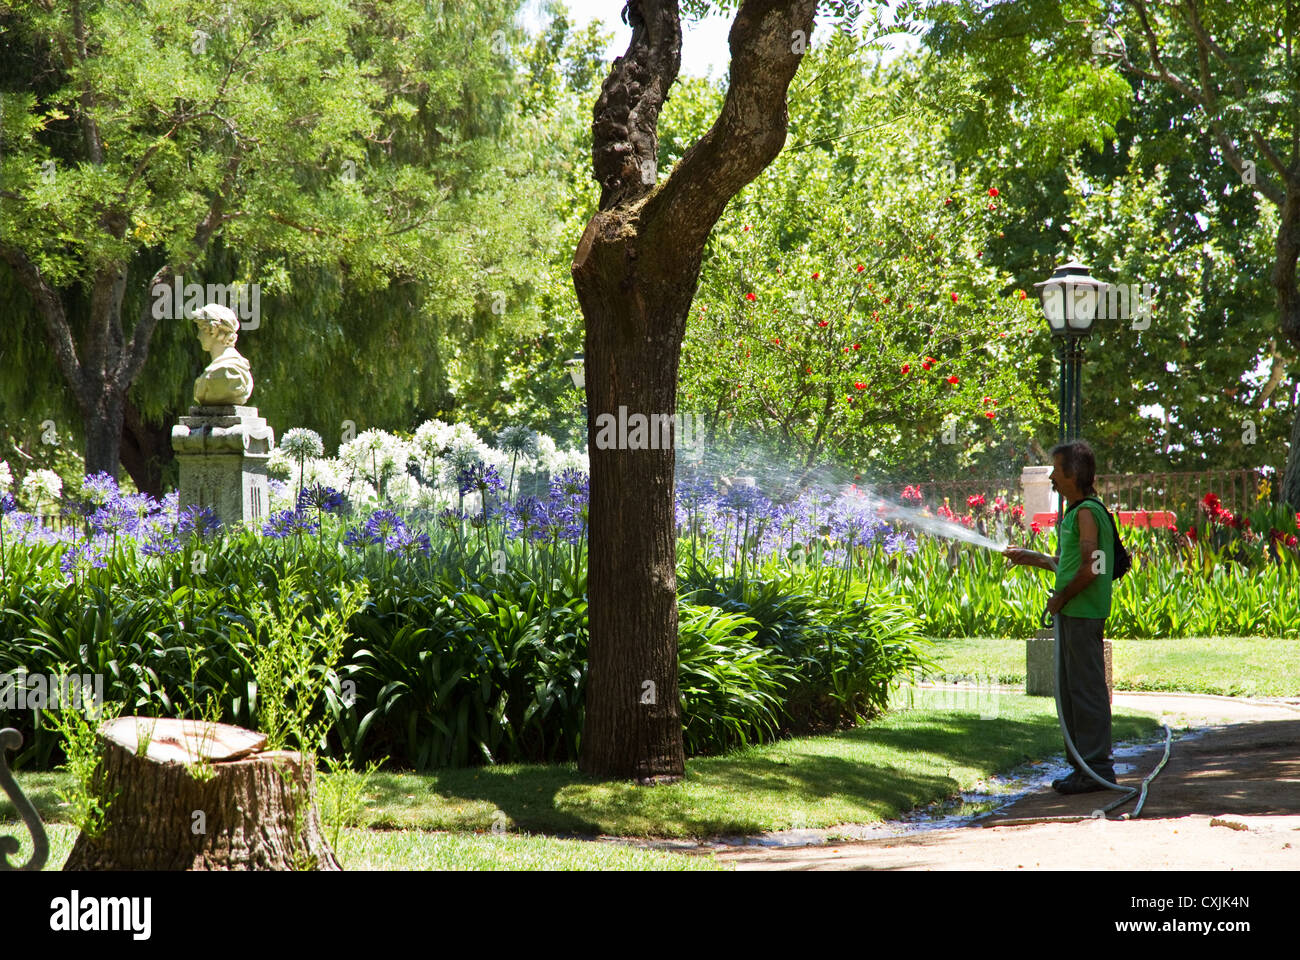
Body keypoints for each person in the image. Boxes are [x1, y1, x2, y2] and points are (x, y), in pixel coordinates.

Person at [1004, 440, 1116, 795]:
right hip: (1073, 611)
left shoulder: (1087, 512)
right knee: (1071, 692)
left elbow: (1092, 568)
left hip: (1082, 613)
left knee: (1085, 692)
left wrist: (1061, 598)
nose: (1051, 476)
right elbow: (1065, 564)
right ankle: (1083, 768)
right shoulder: (1075, 513)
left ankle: (1096, 768)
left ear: (1075, 473)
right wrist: (1030, 557)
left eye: (1057, 469)